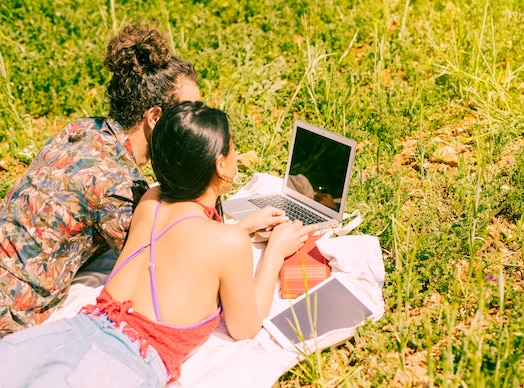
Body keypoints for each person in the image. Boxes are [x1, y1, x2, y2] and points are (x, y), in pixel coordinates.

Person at [0, 101, 318, 386]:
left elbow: (186, 237)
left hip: (73, 333)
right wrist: (274, 250)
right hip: (123, 363)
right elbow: (244, 327)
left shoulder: (151, 199)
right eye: (233, 149)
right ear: (221, 164)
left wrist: (244, 227)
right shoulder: (229, 242)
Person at [0, 21, 204, 336]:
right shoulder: (119, 185)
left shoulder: (82, 128)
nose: (197, 122)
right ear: (155, 117)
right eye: (188, 112)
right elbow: (159, 272)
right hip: (11, 313)